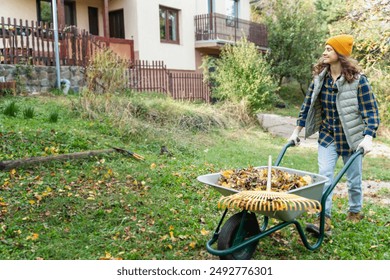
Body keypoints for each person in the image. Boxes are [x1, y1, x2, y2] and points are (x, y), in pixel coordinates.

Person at [288, 34, 380, 236]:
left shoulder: (358, 81)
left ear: (340, 54)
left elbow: (372, 111)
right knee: (324, 177)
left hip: (352, 139)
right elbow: (307, 107)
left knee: (354, 179)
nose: (324, 52)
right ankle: (324, 218)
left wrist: (368, 136)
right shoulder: (320, 79)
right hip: (328, 136)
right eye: (325, 49)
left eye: (329, 49)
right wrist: (296, 132)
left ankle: (355, 211)